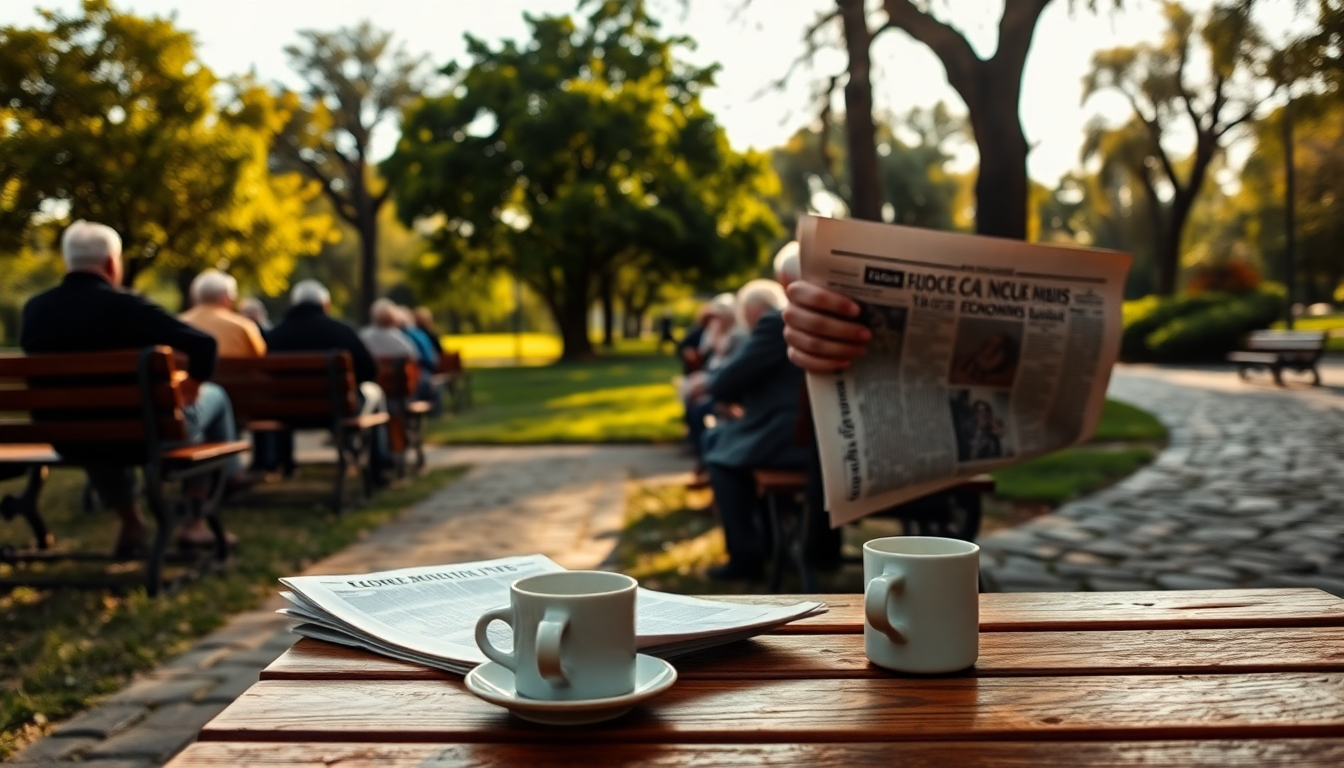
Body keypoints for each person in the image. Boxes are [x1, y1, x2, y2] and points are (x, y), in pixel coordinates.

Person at [20, 221, 242, 554]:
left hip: (68, 436)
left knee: (93, 424)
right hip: (145, 435)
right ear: (112, 263)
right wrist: (193, 386)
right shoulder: (128, 306)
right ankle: (196, 521)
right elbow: (204, 345)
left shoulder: (35, 310)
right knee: (218, 397)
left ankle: (131, 522)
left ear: (68, 262)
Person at [700, 278, 809, 581]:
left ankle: (747, 555)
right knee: (720, 438)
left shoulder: (777, 323)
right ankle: (777, 542)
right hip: (823, 442)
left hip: (792, 440)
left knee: (720, 456)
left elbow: (728, 380)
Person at [261, 280, 389, 476]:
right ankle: (379, 465)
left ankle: (284, 463)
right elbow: (369, 371)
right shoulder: (342, 331)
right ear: (325, 304)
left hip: (286, 412)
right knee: (376, 393)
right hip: (337, 410)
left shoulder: (273, 336)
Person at [180, 270, 267, 358]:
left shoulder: (179, 325)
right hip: (234, 372)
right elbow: (260, 355)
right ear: (225, 297)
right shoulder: (243, 327)